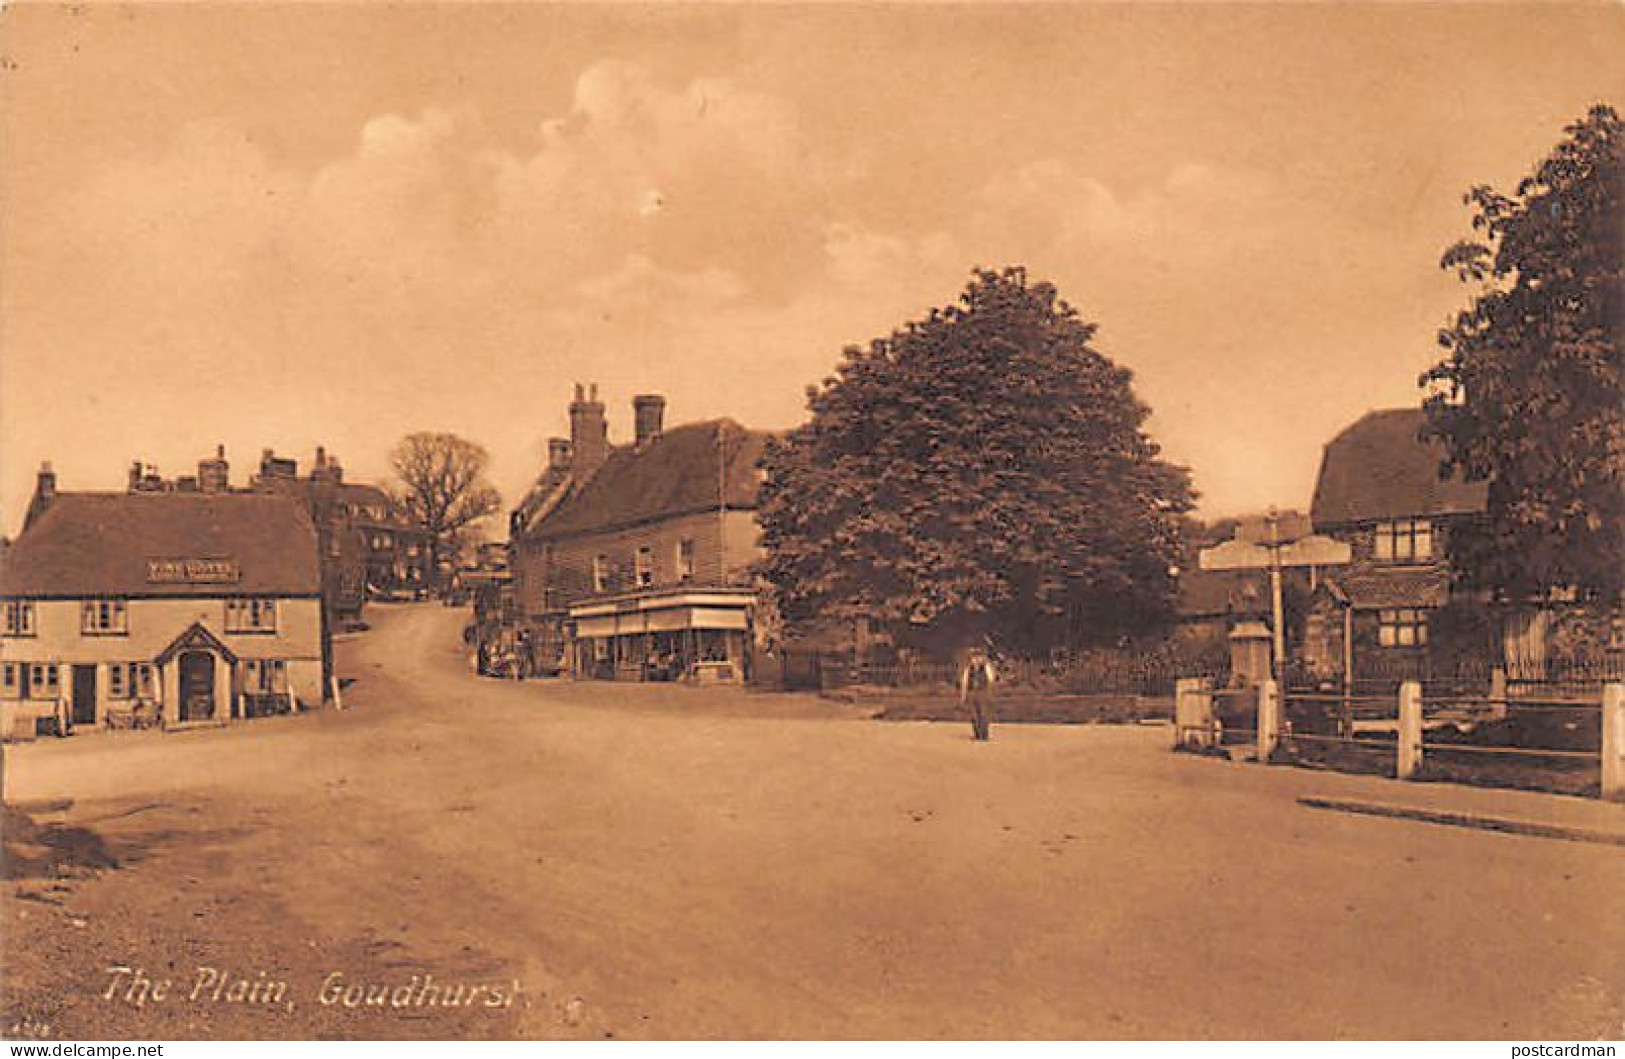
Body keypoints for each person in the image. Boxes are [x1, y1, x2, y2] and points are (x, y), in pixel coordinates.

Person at [959, 644, 996, 742]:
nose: (976, 660)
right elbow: (965, 681)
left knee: (983, 714)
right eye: (974, 658)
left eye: (978, 657)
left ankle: (984, 734)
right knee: (974, 715)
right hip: (971, 692)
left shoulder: (985, 667)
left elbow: (991, 679)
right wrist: (963, 695)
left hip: (982, 692)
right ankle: (977, 734)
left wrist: (989, 693)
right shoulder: (968, 669)